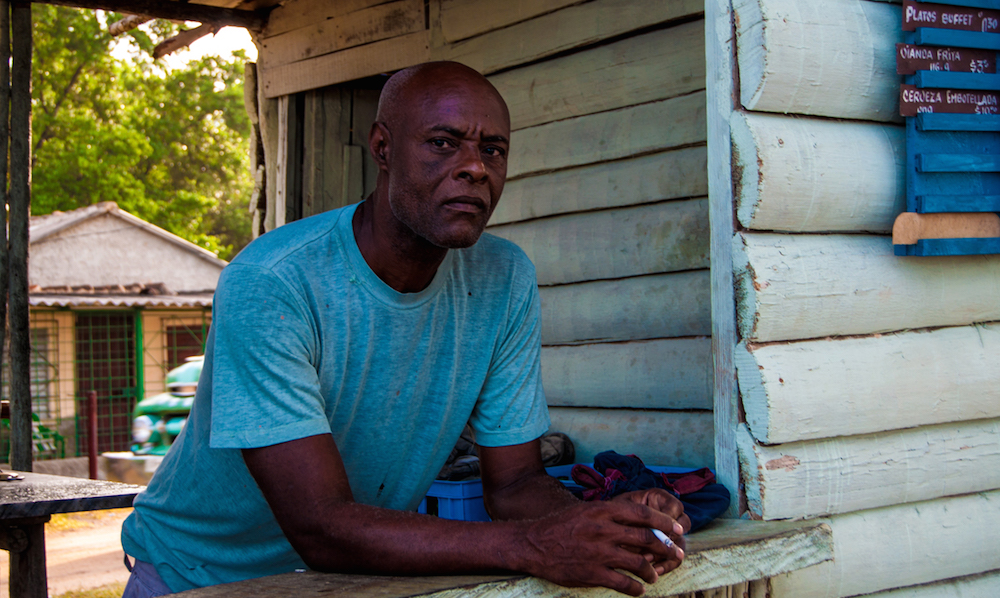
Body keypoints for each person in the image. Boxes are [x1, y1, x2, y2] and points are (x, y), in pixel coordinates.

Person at [120, 61, 689, 598]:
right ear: (382, 147)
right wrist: (533, 545)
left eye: (493, 150)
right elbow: (321, 527)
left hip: (351, 580)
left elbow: (515, 486)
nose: (475, 167)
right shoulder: (273, 281)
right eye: (443, 143)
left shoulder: (503, 276)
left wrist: (613, 524)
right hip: (200, 576)